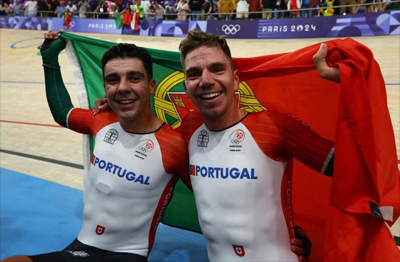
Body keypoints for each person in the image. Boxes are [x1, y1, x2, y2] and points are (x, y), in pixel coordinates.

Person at [0, 32, 191, 262]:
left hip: (128, 254)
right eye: (113, 80)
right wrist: (50, 59)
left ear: (151, 86)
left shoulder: (175, 144)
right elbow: (63, 113)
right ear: (104, 87)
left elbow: (213, 193)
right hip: (80, 247)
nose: (122, 87)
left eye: (134, 78)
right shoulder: (101, 120)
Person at [177, 30, 339, 261]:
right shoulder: (189, 127)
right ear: (186, 87)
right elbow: (147, 140)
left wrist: (350, 84)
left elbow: (355, 167)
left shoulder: (273, 127)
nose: (206, 80)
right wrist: (110, 111)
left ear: (235, 80)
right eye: (194, 74)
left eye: (217, 69)